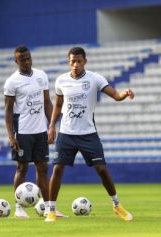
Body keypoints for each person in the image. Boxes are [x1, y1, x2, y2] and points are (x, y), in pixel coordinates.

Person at [45, 47, 135, 222]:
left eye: (79, 61)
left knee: (101, 169)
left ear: (85, 61)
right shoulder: (61, 80)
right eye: (72, 61)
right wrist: (51, 126)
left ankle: (117, 205)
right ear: (68, 62)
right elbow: (58, 105)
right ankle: (51, 210)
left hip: (88, 134)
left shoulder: (95, 79)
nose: (76, 65)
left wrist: (124, 94)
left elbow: (115, 95)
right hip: (66, 134)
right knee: (57, 169)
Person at [4, 45, 66, 218]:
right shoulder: (12, 82)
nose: (26, 62)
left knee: (43, 167)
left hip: (40, 131)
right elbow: (8, 111)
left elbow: (47, 102)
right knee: (22, 167)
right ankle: (18, 208)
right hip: (22, 131)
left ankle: (48, 208)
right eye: (22, 59)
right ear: (16, 61)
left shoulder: (41, 76)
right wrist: (11, 135)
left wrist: (51, 126)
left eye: (28, 58)